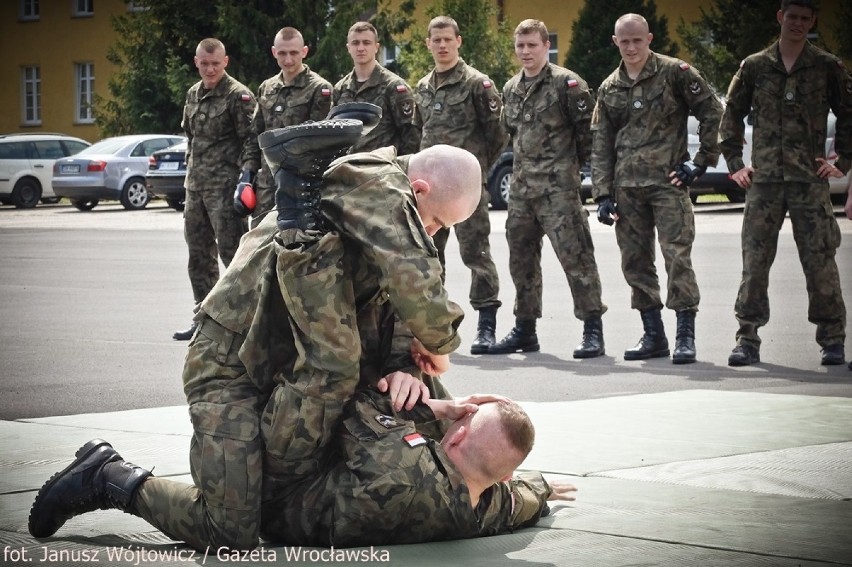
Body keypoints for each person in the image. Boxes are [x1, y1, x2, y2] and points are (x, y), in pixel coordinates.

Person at [26, 137, 497, 551]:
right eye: (436, 222)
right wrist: (441, 342)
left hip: (292, 369)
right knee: (229, 532)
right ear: (419, 191)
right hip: (231, 368)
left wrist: (404, 364)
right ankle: (109, 478)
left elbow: (391, 301)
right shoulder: (370, 181)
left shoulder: (382, 216)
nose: (433, 234)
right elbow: (413, 276)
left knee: (420, 398)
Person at [720, 0, 850, 367]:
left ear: (812, 22)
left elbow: (849, 112)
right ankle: (747, 338)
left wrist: (843, 159)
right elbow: (731, 114)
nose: (797, 23)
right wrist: (735, 164)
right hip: (765, 184)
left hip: (809, 180)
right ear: (780, 17)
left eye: (805, 19)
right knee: (755, 263)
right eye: (791, 16)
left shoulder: (826, 65)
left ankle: (832, 339)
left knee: (820, 259)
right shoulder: (755, 66)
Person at [592, 13, 722, 364]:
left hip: (668, 185)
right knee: (635, 263)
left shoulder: (675, 73)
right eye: (624, 41)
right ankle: (653, 335)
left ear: (649, 38)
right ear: (615, 42)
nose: (631, 47)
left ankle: (685, 335)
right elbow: (602, 142)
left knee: (676, 257)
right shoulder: (609, 87)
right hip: (627, 190)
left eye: (637, 40)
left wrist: (700, 162)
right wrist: (602, 194)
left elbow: (712, 111)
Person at [488, 19, 606, 357]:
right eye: (520, 46)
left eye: (532, 45)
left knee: (577, 260)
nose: (526, 52)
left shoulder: (567, 85)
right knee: (521, 263)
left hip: (559, 192)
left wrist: (576, 174)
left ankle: (592, 329)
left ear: (546, 46)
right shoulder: (511, 88)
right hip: (523, 193)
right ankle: (525, 330)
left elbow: (588, 138)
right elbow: (506, 135)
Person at [413, 16, 506, 355]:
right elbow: (417, 132)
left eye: (447, 39)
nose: (441, 45)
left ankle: (486, 324)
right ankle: (435, 326)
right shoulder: (422, 87)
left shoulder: (477, 84)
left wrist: (475, 173)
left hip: (464, 191)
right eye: (435, 39)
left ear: (458, 41)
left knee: (475, 253)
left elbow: (497, 134)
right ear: (428, 44)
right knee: (429, 256)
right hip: (428, 191)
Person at [173, 38, 256, 341]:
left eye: (215, 63)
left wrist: (246, 178)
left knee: (233, 256)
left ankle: (242, 323)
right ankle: (205, 320)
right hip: (195, 189)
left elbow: (251, 140)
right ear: (196, 62)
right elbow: (190, 138)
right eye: (204, 63)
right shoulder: (193, 94)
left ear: (226, 62)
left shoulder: (239, 96)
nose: (210, 69)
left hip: (225, 189)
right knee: (198, 256)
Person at [238, 27, 333, 228]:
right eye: (282, 53)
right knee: (258, 245)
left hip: (300, 186)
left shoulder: (319, 89)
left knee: (296, 246)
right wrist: (247, 176)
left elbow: (322, 142)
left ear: (304, 52)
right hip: (267, 186)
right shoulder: (266, 88)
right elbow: (255, 135)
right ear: (274, 52)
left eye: (293, 53)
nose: (288, 59)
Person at [332, 21, 420, 154]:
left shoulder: (394, 87)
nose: (361, 48)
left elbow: (411, 136)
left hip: (381, 168)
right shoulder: (340, 88)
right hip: (346, 168)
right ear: (348, 48)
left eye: (366, 43)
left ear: (376, 47)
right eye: (355, 43)